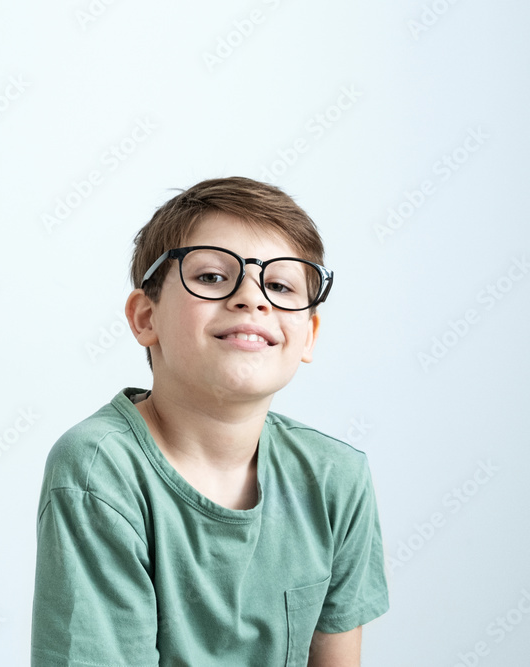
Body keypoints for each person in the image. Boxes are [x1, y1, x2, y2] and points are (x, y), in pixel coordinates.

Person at [30, 176, 389, 666]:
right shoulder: (99, 470)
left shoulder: (335, 477)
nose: (252, 299)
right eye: (212, 277)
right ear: (145, 318)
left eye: (281, 285)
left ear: (308, 335)